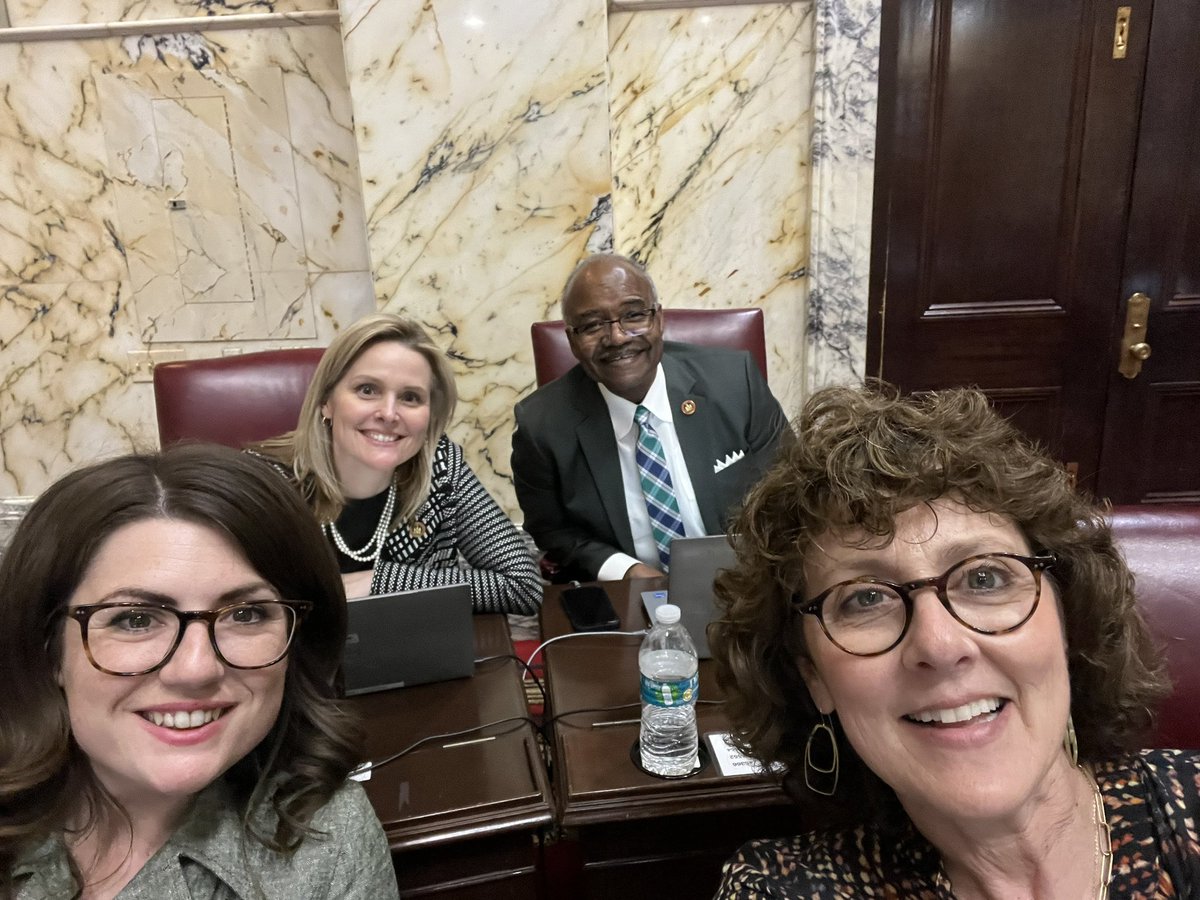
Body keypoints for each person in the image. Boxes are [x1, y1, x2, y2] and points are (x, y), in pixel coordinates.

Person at [709, 384, 1199, 898]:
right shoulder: (780, 888)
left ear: (1068, 617)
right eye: (865, 599)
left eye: (985, 578)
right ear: (814, 679)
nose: (940, 645)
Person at [0, 445, 399, 900]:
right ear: (49, 650)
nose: (196, 669)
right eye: (135, 619)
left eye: (247, 614)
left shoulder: (328, 842)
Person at [511, 253, 789, 582]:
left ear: (658, 319)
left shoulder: (735, 382)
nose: (616, 337)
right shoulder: (541, 425)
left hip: (746, 582)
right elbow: (551, 529)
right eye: (591, 325)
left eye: (633, 315)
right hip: (630, 597)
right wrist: (625, 570)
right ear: (572, 340)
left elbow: (789, 486)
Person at [252, 313, 541, 614]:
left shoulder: (439, 465)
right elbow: (241, 605)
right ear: (326, 401)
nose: (389, 414)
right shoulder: (264, 484)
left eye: (410, 397)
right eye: (367, 390)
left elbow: (522, 585)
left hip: (413, 651)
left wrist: (381, 582)